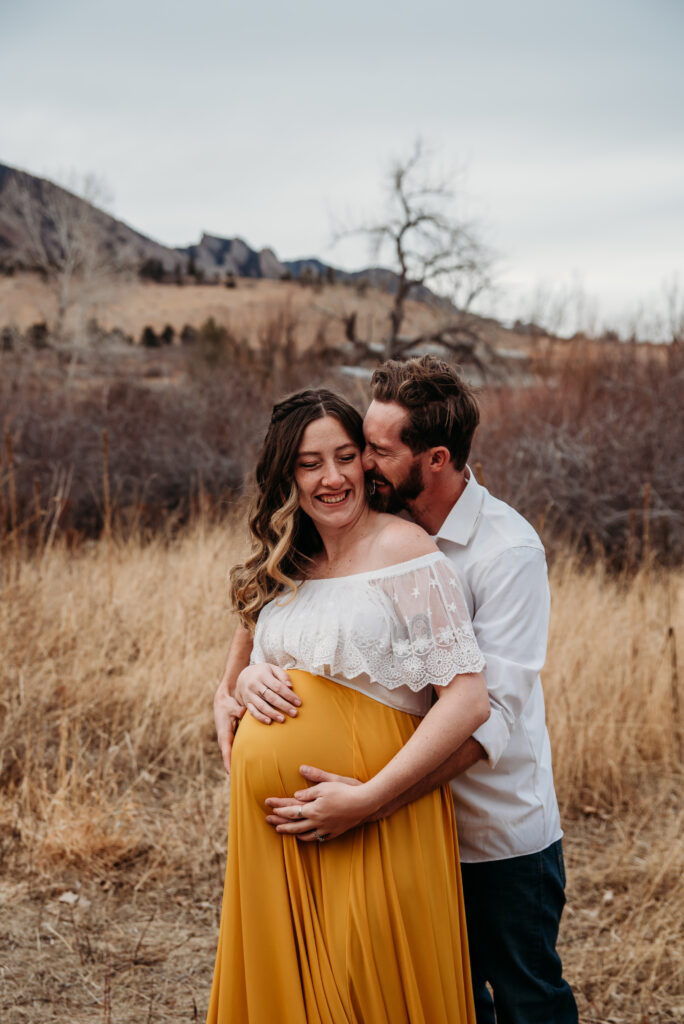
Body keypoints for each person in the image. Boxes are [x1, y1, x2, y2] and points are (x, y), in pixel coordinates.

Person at [218, 357, 578, 1024]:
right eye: (335, 456)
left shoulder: (501, 552)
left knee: (523, 998)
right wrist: (234, 682)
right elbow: (274, 615)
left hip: (486, 828)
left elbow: (485, 710)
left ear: (434, 459)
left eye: (371, 451)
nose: (355, 470)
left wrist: (370, 801)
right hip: (346, 823)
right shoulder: (348, 521)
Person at [206, 387, 491, 1024]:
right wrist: (242, 684)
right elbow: (237, 675)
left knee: (366, 993)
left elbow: (469, 700)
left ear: (367, 461)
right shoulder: (284, 562)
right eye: (310, 463)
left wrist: (368, 799)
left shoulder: (406, 552)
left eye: (345, 456)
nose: (332, 478)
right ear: (287, 475)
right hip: (272, 841)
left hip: (375, 821)